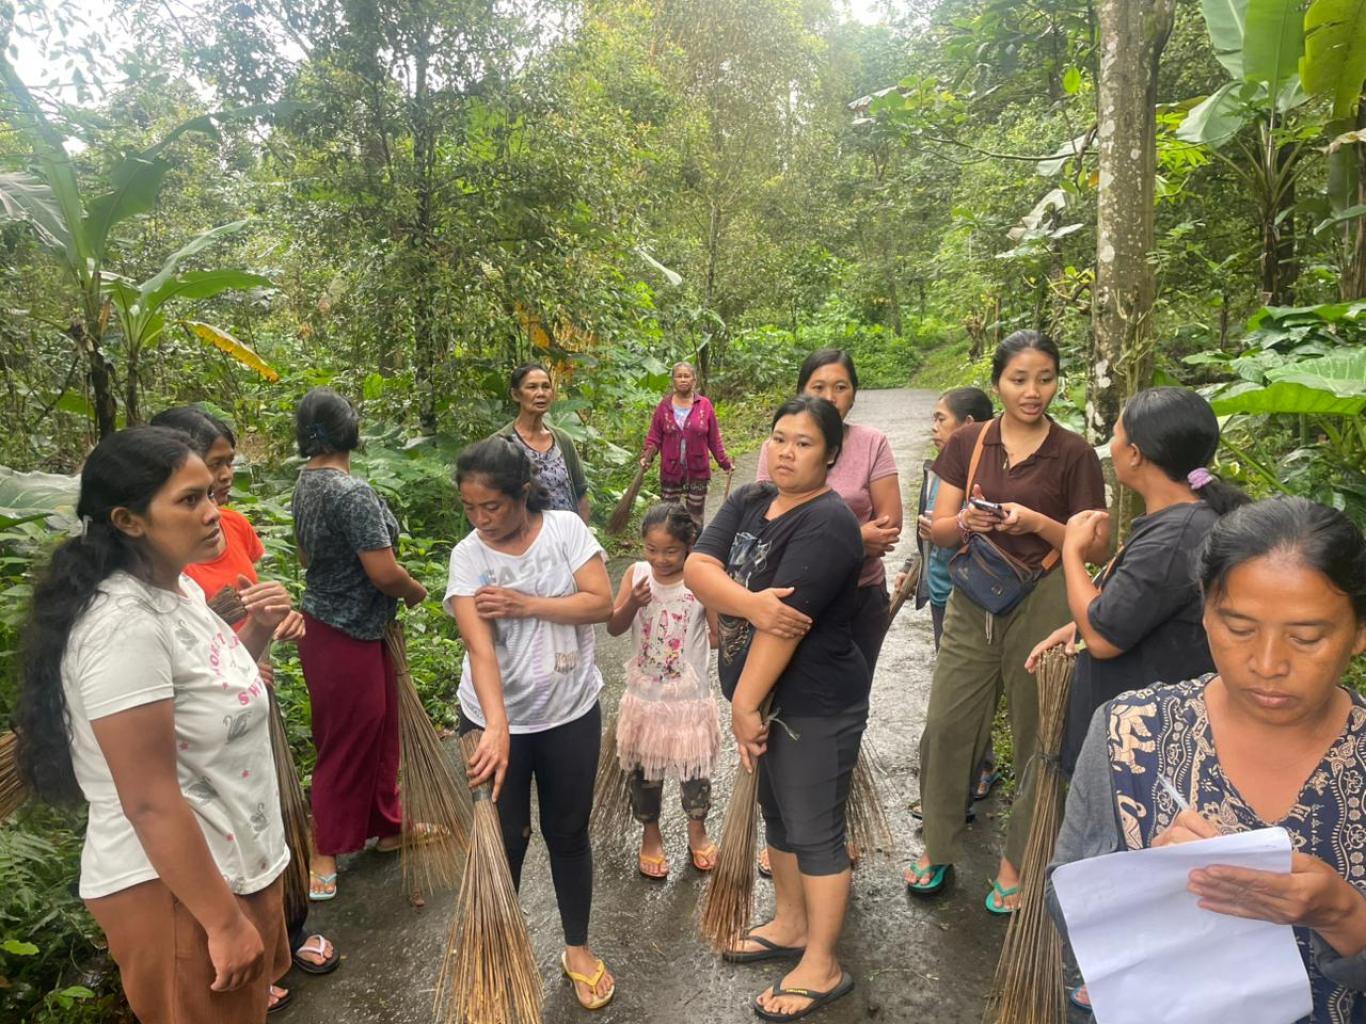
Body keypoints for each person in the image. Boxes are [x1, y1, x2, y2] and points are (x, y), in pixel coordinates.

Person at [1048, 497, 1366, 1024]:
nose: (1268, 663)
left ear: (1359, 632)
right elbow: (1065, 895)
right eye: (1239, 629)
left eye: (1306, 637)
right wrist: (1149, 882)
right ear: (1205, 610)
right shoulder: (1130, 733)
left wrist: (1343, 914)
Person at [16, 426, 294, 1023]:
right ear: (129, 520)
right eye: (189, 499)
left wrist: (259, 629)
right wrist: (223, 922)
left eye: (209, 493)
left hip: (226, 866)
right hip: (178, 892)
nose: (212, 511)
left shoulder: (178, 589)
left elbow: (208, 699)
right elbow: (147, 800)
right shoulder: (123, 628)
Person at [906, 330, 1108, 913]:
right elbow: (941, 529)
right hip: (974, 597)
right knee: (947, 724)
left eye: (1045, 378)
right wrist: (967, 523)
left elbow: (1096, 546)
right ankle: (937, 845)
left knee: (1036, 734)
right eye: (1019, 379)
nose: (1033, 391)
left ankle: (1017, 858)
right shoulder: (969, 441)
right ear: (998, 382)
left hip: (1045, 599)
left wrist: (1036, 522)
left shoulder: (1073, 453)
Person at [151, 407, 341, 1010]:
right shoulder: (156, 568)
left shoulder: (231, 526)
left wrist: (268, 622)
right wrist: (231, 653)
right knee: (224, 836)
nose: (225, 478)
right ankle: (242, 946)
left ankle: (289, 935)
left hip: (253, 704)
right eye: (212, 467)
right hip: (201, 735)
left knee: (277, 817)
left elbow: (245, 605)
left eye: (228, 463)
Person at [687, 394, 868, 1023]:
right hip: (770, 701)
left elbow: (785, 628)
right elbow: (697, 567)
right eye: (780, 438)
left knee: (816, 831)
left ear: (832, 455)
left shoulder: (829, 523)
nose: (786, 453)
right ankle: (791, 924)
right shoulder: (750, 499)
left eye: (804, 443)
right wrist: (753, 603)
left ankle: (823, 962)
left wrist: (743, 703)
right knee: (782, 819)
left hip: (815, 703)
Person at [444, 436, 616, 1011]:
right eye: (470, 508)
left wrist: (526, 604)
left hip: (569, 712)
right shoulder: (469, 556)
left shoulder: (565, 531)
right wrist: (496, 726)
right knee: (504, 839)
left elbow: (601, 602)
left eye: (491, 506)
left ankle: (577, 949)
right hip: (495, 719)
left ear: (522, 493)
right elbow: (479, 648)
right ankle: (498, 957)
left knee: (568, 832)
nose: (481, 519)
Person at [1027, 387, 1250, 775]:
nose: (1111, 445)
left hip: (1140, 750)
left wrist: (1072, 551)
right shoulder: (1184, 523)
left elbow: (1102, 639)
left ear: (1134, 454)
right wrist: (1077, 625)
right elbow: (1139, 606)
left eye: (1115, 435)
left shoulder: (1174, 537)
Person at [753, 350, 900, 878]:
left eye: (841, 387)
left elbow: (889, 527)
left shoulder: (871, 443)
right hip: (784, 602)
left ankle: (828, 828)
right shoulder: (782, 444)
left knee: (838, 721)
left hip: (857, 602)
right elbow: (763, 522)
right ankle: (785, 831)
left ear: (854, 393)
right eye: (818, 386)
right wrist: (850, 535)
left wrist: (822, 539)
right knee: (777, 711)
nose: (830, 397)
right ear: (802, 389)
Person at [290, 388, 428, 902]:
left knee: (380, 727)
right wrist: (414, 591)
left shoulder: (305, 483)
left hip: (345, 627)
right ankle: (324, 848)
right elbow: (384, 572)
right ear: (351, 431)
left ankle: (387, 825)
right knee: (347, 739)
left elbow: (306, 558)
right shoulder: (352, 493)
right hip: (343, 632)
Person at [900, 387, 1000, 827]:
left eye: (941, 419)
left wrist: (954, 529)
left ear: (969, 425)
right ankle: (979, 767)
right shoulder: (940, 468)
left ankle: (969, 776)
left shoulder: (985, 473)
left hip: (971, 595)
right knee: (955, 689)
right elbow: (927, 528)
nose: (934, 427)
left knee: (961, 695)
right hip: (942, 594)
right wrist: (914, 567)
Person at [605, 501, 721, 879]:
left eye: (670, 551)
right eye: (651, 549)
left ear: (689, 546)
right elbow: (614, 627)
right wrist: (632, 603)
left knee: (695, 772)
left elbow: (717, 635)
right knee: (644, 774)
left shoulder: (701, 580)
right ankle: (650, 835)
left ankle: (697, 832)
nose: (660, 559)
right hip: (646, 702)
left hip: (689, 701)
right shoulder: (637, 575)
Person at [639, 361, 733, 526]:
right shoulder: (664, 407)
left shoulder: (704, 405)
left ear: (694, 380)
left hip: (698, 470)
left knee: (695, 518)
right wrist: (647, 456)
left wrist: (724, 463)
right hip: (670, 470)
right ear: (673, 380)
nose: (683, 379)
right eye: (679, 376)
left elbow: (714, 439)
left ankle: (695, 542)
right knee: (669, 517)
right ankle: (674, 542)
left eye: (687, 376)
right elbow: (654, 437)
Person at [494, 363, 590, 522]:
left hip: (566, 533)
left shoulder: (562, 440)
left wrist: (582, 532)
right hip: (525, 533)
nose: (541, 393)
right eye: (532, 387)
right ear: (516, 394)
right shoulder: (501, 443)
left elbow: (580, 494)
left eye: (546, 387)